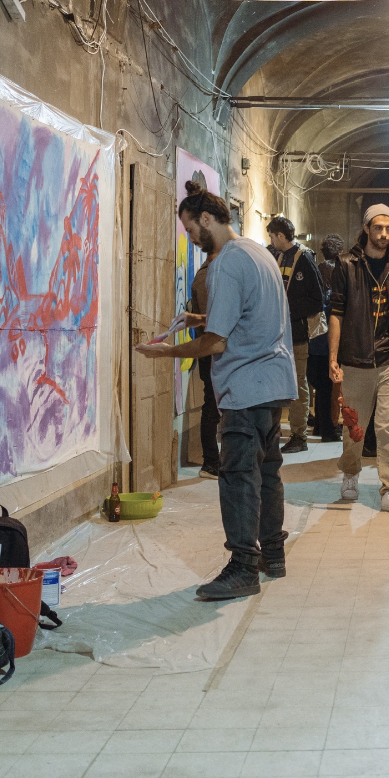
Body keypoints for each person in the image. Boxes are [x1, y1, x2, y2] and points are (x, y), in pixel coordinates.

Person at [136, 184, 296, 599]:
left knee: (238, 477)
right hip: (272, 383)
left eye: (191, 230)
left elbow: (217, 342)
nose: (192, 239)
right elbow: (246, 315)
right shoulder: (258, 252)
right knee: (267, 473)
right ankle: (273, 555)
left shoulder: (225, 262)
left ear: (206, 219)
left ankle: (243, 567)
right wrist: (197, 318)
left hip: (245, 386)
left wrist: (166, 352)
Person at [329, 204, 389, 514]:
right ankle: (351, 472)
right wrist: (333, 357)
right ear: (366, 228)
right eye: (378, 228)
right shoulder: (346, 264)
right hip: (356, 357)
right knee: (355, 425)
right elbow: (336, 312)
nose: (384, 234)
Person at [266, 215, 324, 454]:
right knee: (277, 383)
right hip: (277, 334)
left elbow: (317, 300)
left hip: (297, 335)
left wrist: (288, 310)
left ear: (281, 236)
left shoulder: (304, 259)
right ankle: (274, 432)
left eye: (272, 236)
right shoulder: (278, 256)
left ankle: (299, 436)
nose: (271, 241)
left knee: (299, 385)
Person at [308, 234, 345, 442]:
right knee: (328, 387)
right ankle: (328, 430)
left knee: (319, 387)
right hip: (328, 340)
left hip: (314, 338)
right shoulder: (337, 271)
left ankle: (319, 426)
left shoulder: (316, 270)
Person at [189, 253, 220, 478]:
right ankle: (210, 463)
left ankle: (214, 461)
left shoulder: (213, 273)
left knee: (215, 405)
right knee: (212, 405)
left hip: (216, 351)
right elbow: (211, 319)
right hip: (211, 352)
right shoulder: (205, 277)